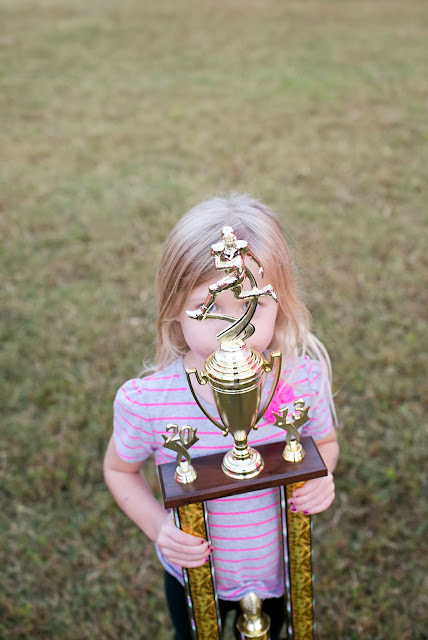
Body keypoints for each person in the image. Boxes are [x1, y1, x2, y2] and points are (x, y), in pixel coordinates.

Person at [104, 193, 340, 640]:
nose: (234, 331)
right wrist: (160, 528)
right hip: (194, 574)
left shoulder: (301, 380)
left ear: (279, 303)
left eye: (252, 306)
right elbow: (119, 469)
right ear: (175, 308)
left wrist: (322, 475)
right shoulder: (148, 401)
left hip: (279, 569)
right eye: (210, 308)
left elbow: (324, 443)